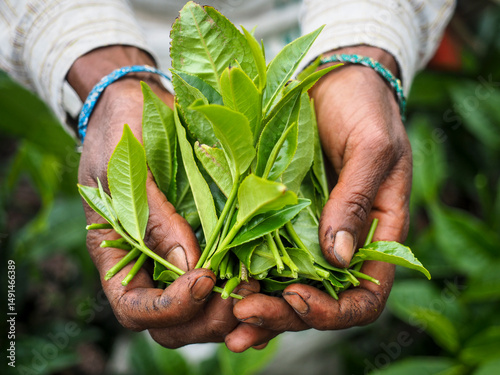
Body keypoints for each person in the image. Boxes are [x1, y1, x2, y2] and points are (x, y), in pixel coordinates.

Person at [0, 0, 455, 352]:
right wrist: (103, 74)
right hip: (113, 22)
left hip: (326, 34)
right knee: (168, 292)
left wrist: (364, 52)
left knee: (296, 323)